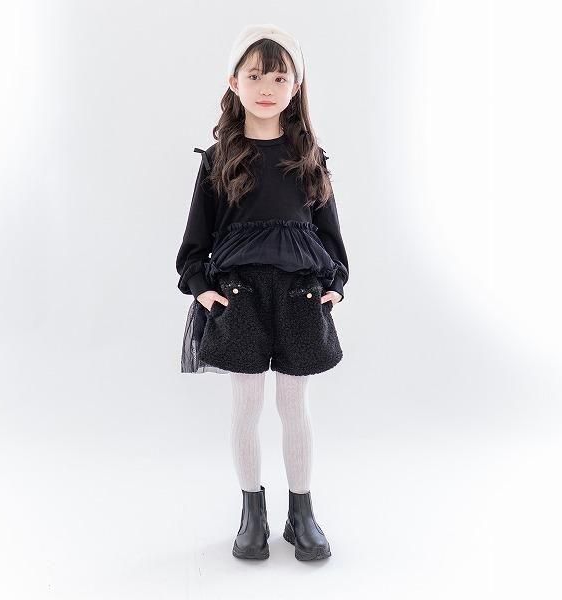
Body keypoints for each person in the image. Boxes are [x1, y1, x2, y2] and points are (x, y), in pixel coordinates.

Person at [175, 24, 349, 561]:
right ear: (234, 82)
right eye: (254, 76)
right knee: (246, 407)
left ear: (296, 86)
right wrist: (203, 290)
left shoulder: (309, 157)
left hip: (300, 294)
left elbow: (330, 235)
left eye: (279, 77)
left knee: (294, 406)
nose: (267, 87)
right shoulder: (218, 160)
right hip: (240, 295)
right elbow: (195, 241)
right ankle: (253, 513)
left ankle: (302, 513)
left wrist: (335, 286)